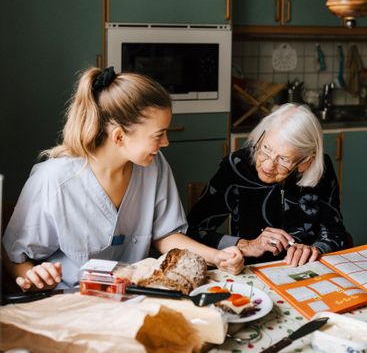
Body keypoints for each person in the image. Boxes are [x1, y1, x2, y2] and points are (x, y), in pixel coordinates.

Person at [2, 67, 243, 292]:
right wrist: (32, 277)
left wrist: (216, 257)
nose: (166, 143)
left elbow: (165, 235)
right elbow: (13, 256)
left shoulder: (154, 166)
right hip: (73, 302)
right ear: (118, 136)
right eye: (159, 134)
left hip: (134, 296)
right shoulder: (54, 180)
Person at [187, 103, 348, 267]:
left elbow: (336, 234)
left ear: (305, 162)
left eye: (284, 159)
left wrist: (315, 249)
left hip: (304, 270)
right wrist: (246, 245)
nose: (267, 166)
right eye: (265, 148)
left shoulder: (321, 169)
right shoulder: (236, 166)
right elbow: (191, 232)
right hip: (249, 271)